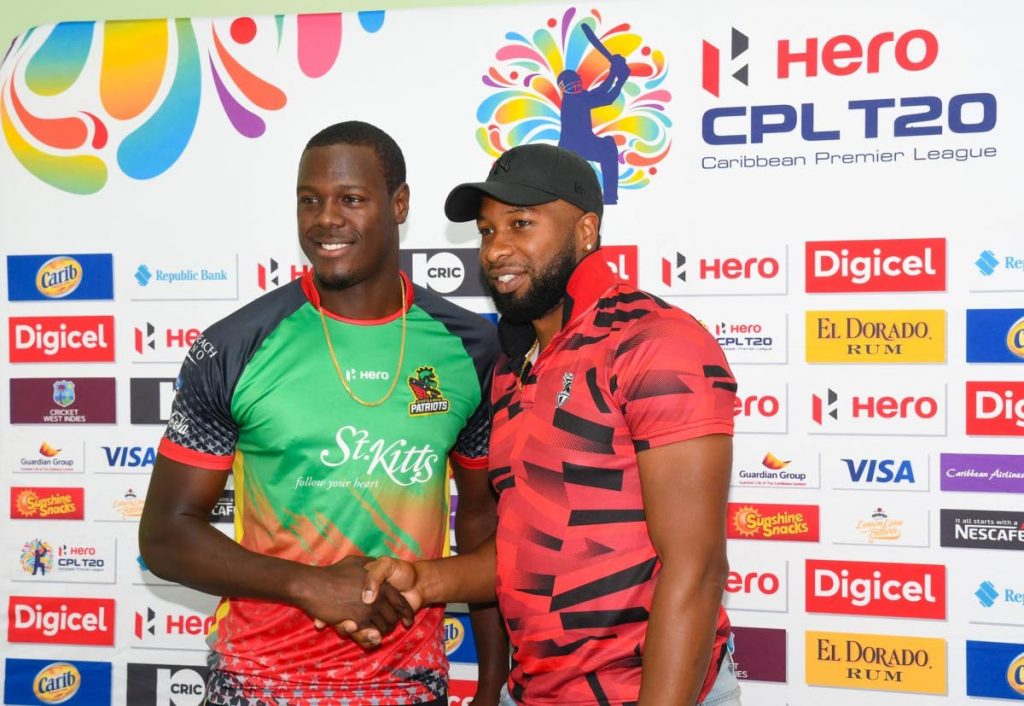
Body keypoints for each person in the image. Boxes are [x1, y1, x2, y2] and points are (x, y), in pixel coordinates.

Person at [346, 144, 742, 706]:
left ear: (585, 231)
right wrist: (426, 582)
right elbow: (529, 550)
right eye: (486, 231)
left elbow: (696, 569)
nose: (497, 249)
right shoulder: (514, 370)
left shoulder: (656, 342)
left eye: (521, 224)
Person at [139, 121, 508, 706]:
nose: (325, 219)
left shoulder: (469, 347)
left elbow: (483, 526)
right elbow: (163, 535)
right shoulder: (235, 346)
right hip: (259, 683)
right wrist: (307, 585)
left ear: (399, 204)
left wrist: (491, 685)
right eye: (309, 200)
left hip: (407, 685)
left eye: (351, 200)